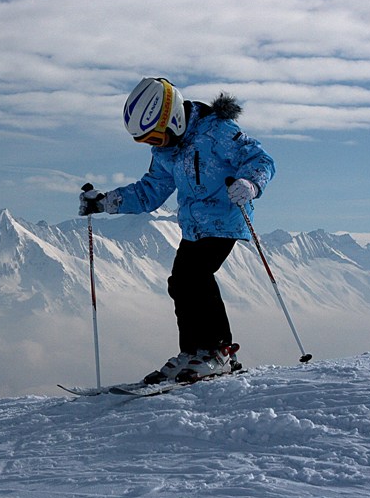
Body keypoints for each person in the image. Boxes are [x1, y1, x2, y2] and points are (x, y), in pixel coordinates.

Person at [79, 77, 275, 384]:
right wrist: (105, 203)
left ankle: (219, 352)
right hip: (194, 226)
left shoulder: (218, 131)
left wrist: (250, 184)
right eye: (148, 142)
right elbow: (150, 191)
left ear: (172, 118)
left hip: (226, 217)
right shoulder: (167, 152)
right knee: (180, 283)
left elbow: (260, 159)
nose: (156, 145)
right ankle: (194, 351)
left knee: (195, 277)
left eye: (156, 137)